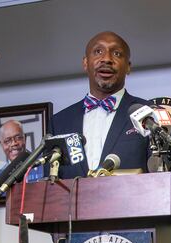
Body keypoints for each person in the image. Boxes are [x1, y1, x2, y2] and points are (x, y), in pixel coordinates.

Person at [50, 31, 149, 179]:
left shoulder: (148, 112)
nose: (107, 59)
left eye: (116, 53)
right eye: (98, 52)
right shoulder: (59, 122)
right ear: (85, 63)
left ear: (128, 67)